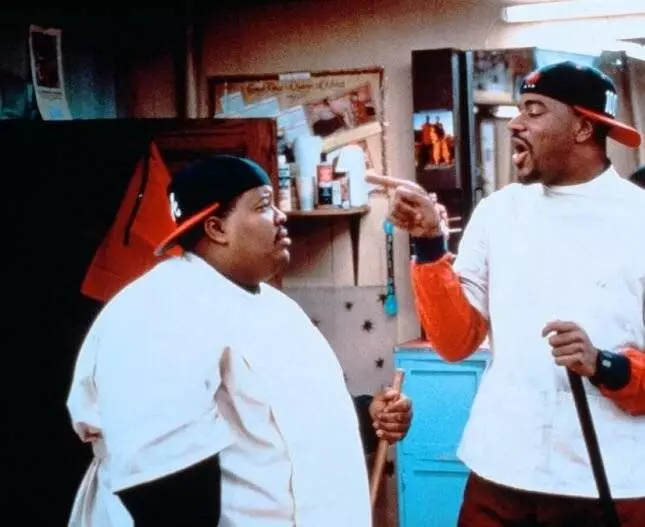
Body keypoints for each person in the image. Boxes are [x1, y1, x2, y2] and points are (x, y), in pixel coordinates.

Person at [368, 61, 645, 526]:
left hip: (610, 478)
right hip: (501, 469)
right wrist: (430, 244)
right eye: (520, 110)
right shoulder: (498, 212)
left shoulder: (638, 217)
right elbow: (455, 342)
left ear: (582, 128)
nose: (516, 124)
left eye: (534, 111)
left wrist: (605, 365)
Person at [67, 155, 412, 527]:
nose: (280, 216)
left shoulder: (275, 305)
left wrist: (366, 415)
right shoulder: (158, 310)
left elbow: (284, 417)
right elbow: (162, 485)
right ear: (216, 228)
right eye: (263, 206)